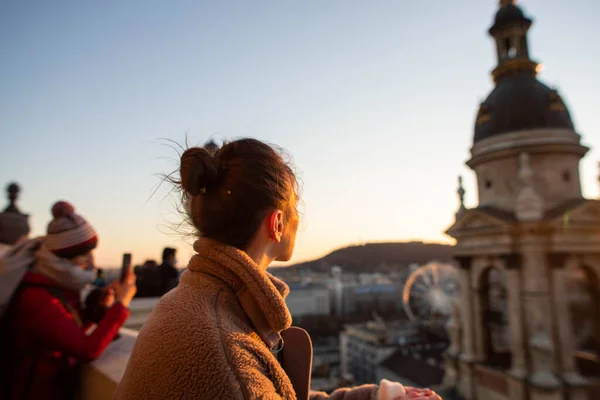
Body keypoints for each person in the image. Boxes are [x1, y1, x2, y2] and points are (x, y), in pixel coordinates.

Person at [115, 138, 440, 400]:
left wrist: (378, 397)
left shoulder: (196, 298)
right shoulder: (226, 349)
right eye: (294, 207)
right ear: (278, 222)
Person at [3, 201, 137, 400]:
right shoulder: (37, 297)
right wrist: (121, 303)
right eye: (84, 254)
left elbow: (65, 333)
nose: (91, 261)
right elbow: (86, 350)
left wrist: (95, 309)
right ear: (63, 257)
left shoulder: (52, 283)